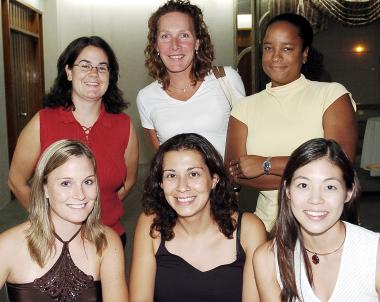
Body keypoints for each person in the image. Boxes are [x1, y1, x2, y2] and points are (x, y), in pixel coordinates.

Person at [225, 13, 357, 230]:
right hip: (266, 228)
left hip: (323, 222)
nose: (275, 57)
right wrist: (311, 177)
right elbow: (234, 173)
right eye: (268, 48)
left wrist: (265, 164)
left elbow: (339, 162)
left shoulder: (331, 95)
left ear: (304, 54)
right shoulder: (244, 107)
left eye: (287, 48)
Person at [8, 36, 138, 245]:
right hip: (54, 240)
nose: (94, 74)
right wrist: (46, 220)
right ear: (69, 72)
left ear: (110, 75)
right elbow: (16, 181)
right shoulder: (43, 121)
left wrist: (93, 207)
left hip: (107, 237)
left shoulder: (124, 124)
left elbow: (129, 180)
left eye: (102, 67)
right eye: (85, 66)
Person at [129, 133, 266, 302]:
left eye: (193, 174)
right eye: (171, 175)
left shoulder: (249, 229)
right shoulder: (151, 224)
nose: (182, 187)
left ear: (214, 179)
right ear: (161, 183)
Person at [0, 140, 128, 302]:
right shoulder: (8, 245)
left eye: (88, 182)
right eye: (66, 183)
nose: (80, 194)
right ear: (45, 188)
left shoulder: (107, 242)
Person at [253, 138, 380, 302]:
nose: (315, 199)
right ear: (288, 190)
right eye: (303, 185)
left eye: (330, 187)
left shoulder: (374, 253)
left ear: (349, 192)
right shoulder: (269, 258)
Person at [137, 0, 245, 157]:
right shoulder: (146, 97)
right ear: (156, 46)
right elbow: (160, 161)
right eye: (165, 36)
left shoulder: (226, 79)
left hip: (225, 181)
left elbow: (247, 144)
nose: (175, 45)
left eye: (184, 35)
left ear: (197, 43)